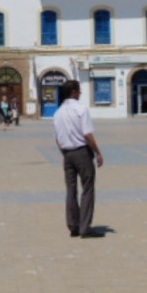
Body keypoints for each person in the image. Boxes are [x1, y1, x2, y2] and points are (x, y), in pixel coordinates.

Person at [53, 80, 105, 239]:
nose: (81, 94)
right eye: (79, 91)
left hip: (67, 153)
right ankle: (85, 227)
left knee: (71, 190)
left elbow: (57, 138)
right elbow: (87, 134)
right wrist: (98, 152)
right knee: (88, 188)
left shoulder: (58, 113)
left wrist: (64, 153)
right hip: (82, 152)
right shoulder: (81, 109)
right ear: (74, 92)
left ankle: (73, 226)